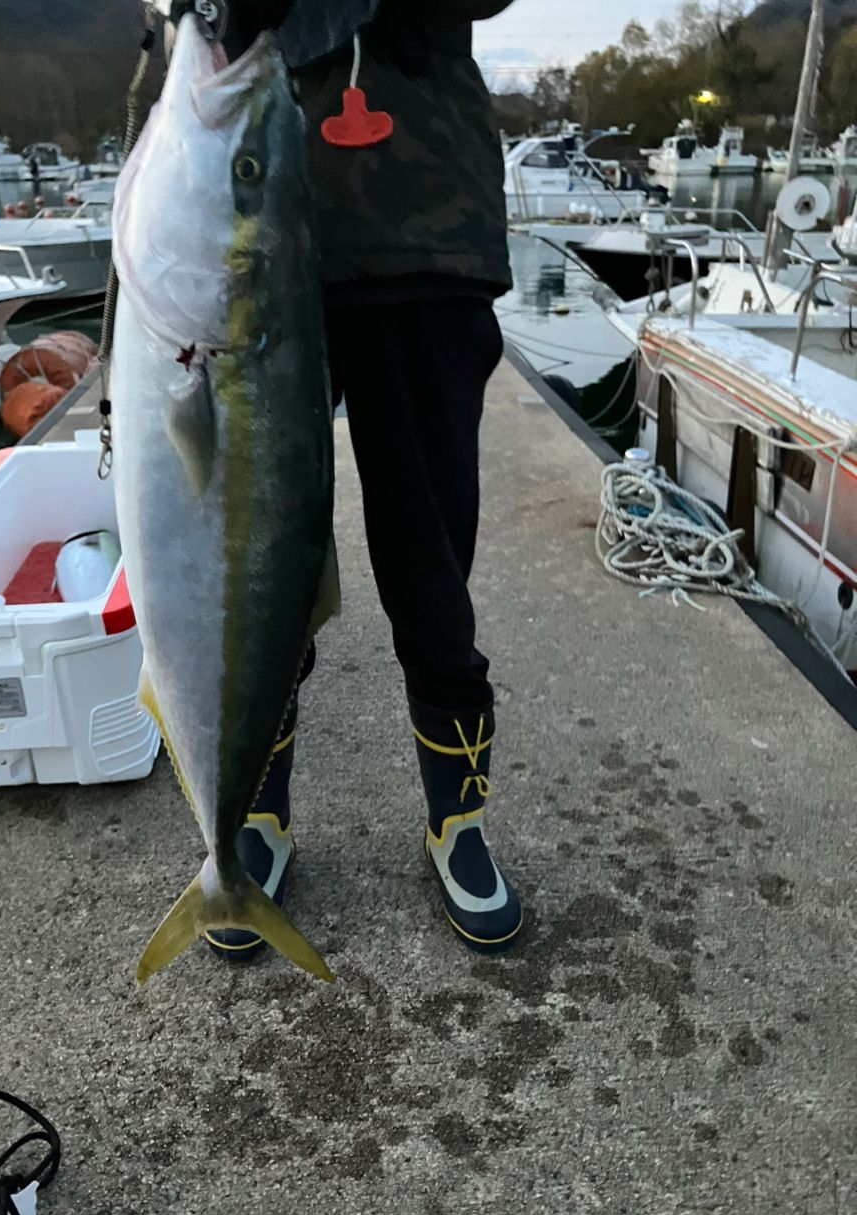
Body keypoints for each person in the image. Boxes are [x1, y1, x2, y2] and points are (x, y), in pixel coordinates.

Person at [196, 0, 523, 960]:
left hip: (426, 237)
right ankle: (253, 810)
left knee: (430, 554)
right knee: (257, 553)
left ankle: (456, 818)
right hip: (253, 240)